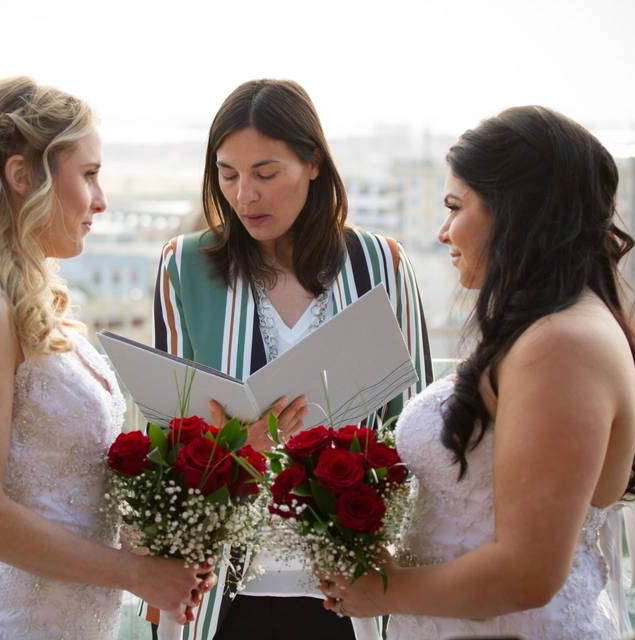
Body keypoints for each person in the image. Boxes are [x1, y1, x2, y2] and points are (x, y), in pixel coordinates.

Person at [318, 105, 635, 639]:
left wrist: (382, 590)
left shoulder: (563, 345)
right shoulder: (553, 329)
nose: (443, 231)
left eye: (456, 206)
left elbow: (528, 573)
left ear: (517, 212)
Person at [0, 77, 214, 640]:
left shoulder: (28, 301)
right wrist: (138, 575)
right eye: (89, 174)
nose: (102, 200)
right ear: (23, 176)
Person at [147, 79, 433, 639]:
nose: (244, 195)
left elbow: (417, 430)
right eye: (227, 174)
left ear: (314, 164)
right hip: (220, 596)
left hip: (352, 595)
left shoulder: (383, 265)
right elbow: (164, 436)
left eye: (266, 173)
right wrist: (238, 452)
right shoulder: (184, 267)